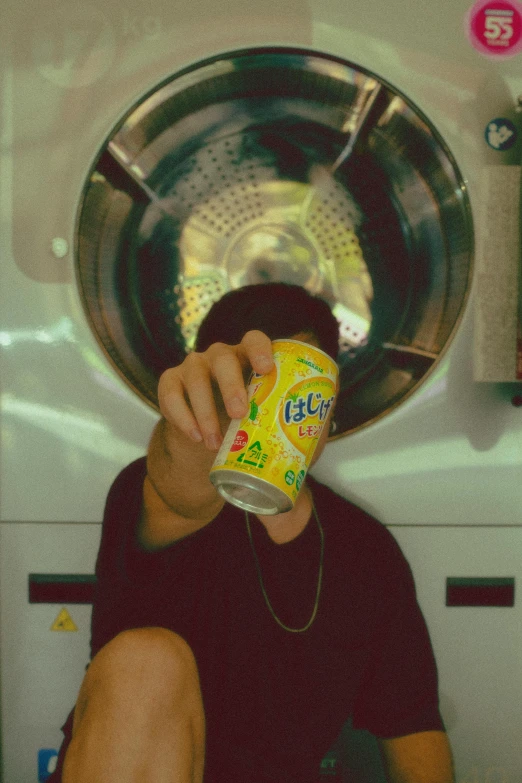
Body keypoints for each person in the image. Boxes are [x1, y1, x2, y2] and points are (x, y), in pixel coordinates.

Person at [50, 283, 455, 783]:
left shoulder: (366, 550)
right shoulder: (152, 495)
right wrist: (200, 435)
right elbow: (178, 489)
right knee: (145, 661)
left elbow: (414, 734)